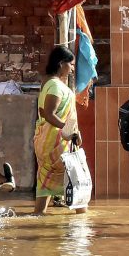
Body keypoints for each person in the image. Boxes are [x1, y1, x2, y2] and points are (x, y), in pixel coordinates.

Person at [34, 45, 82, 215]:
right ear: (62, 63)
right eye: (72, 64)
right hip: (56, 143)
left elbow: (42, 113)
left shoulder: (48, 83)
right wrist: (71, 130)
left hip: (47, 142)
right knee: (77, 180)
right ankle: (83, 224)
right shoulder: (55, 86)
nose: (73, 68)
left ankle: (38, 219)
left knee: (45, 184)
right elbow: (49, 114)